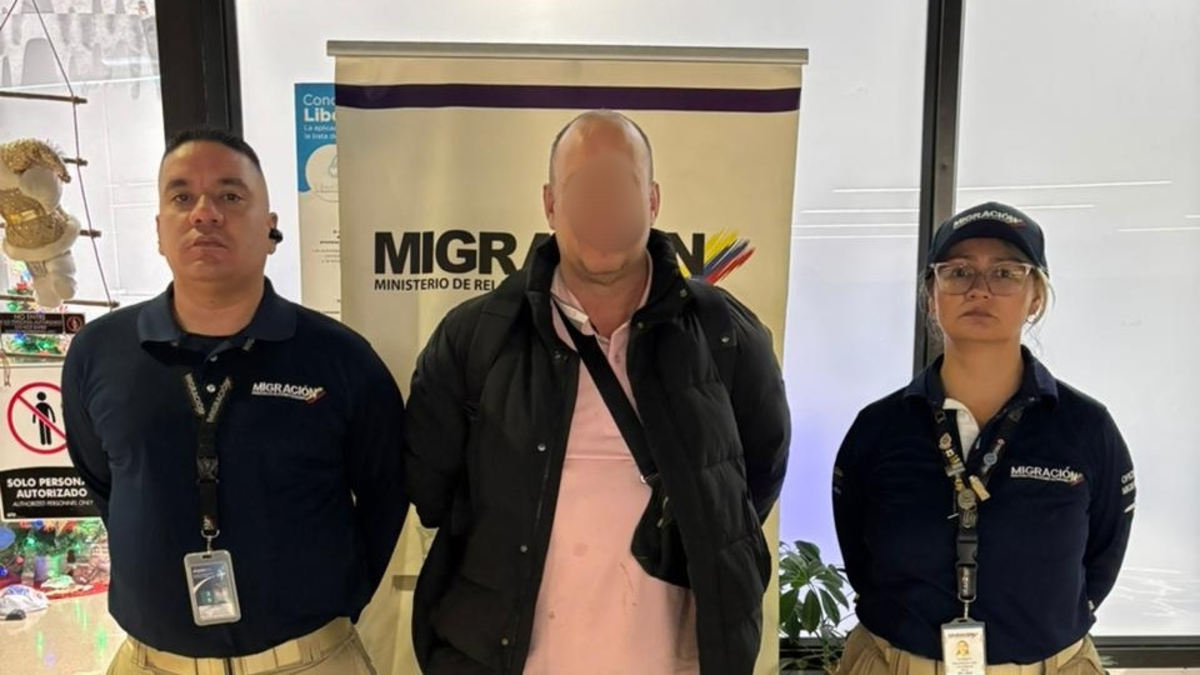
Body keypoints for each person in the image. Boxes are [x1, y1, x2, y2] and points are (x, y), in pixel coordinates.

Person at [404, 110, 791, 674]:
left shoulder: (724, 334)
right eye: (583, 188)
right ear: (549, 203)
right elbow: (432, 489)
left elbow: (755, 479)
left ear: (652, 200)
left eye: (621, 186)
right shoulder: (477, 337)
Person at [63, 128, 407, 675]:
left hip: (312, 661)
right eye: (182, 197)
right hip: (152, 665)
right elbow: (105, 483)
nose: (204, 213)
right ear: (159, 230)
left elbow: (386, 495)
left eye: (230, 195)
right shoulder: (98, 354)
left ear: (270, 226)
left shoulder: (339, 358)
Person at [832, 202, 1136, 675]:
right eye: (957, 272)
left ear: (1036, 297)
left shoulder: (1086, 427)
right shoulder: (879, 428)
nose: (979, 289)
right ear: (931, 295)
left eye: (1005, 273)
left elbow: (1102, 556)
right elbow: (858, 553)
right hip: (896, 664)